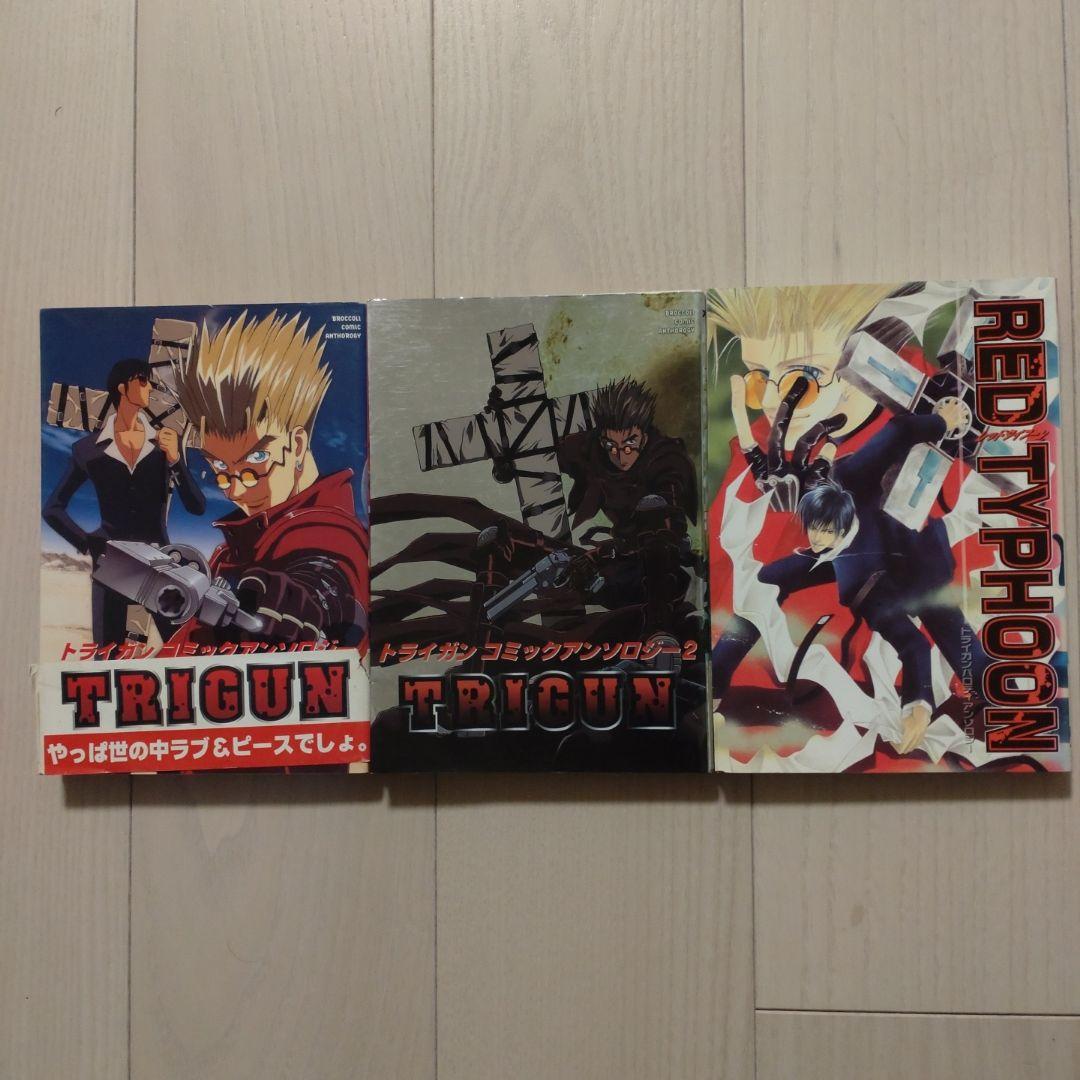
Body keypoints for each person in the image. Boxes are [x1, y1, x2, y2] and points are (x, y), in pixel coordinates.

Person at [713, 398, 991, 755]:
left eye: (825, 532)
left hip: (916, 565)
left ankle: (1003, 696)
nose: (815, 539)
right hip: (859, 557)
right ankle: (715, 679)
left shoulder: (854, 488)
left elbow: (900, 429)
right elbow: (911, 644)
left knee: (966, 655)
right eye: (813, 529)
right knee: (765, 583)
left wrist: (941, 422)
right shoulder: (848, 566)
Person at [169, 309, 368, 650]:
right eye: (220, 469)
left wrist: (299, 603)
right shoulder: (239, 545)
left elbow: (325, 578)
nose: (234, 490)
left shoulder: (327, 531)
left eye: (255, 462)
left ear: (297, 445)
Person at [43, 358, 206, 647]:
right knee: (107, 658)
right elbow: (52, 509)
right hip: (112, 567)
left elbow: (197, 507)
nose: (150, 388)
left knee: (183, 648)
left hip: (160, 564)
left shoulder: (165, 442)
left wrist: (176, 461)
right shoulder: (87, 450)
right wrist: (88, 543)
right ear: (122, 388)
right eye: (142, 381)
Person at [557, 376, 699, 635]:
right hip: (620, 558)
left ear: (643, 436)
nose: (621, 456)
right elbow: (553, 450)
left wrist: (607, 551)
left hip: (662, 559)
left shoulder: (665, 458)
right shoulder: (590, 449)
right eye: (611, 446)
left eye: (630, 444)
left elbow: (666, 524)